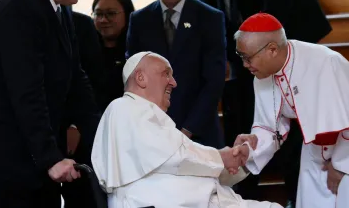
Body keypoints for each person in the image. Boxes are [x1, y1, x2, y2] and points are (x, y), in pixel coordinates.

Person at [233, 13, 349, 208]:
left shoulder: (326, 62)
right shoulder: (262, 74)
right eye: (241, 56)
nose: (244, 64)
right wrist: (250, 150)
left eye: (247, 57)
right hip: (316, 145)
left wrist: (341, 166)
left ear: (272, 50)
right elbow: (270, 128)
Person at [0, 0, 101, 207]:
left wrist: (102, 140)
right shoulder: (20, 9)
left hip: (34, 166)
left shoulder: (56, 8)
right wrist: (50, 158)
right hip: (6, 170)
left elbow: (76, 81)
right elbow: (26, 92)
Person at [199, 0, 332, 206]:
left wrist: (263, 52)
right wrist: (222, 50)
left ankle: (298, 197)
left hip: (281, 42)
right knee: (244, 118)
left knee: (291, 126)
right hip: (242, 47)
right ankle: (243, 198)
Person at [91, 51, 283, 208]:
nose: (173, 82)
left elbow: (193, 165)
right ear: (140, 77)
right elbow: (176, 157)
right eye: (166, 73)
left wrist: (239, 159)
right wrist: (222, 157)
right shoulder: (124, 107)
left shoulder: (153, 122)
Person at [126, 0, 227, 149]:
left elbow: (214, 81)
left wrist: (187, 130)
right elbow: (132, 79)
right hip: (151, 135)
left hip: (199, 135)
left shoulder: (210, 18)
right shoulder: (140, 20)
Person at [92, 0, 135, 110]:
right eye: (98, 14)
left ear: (127, 14)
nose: (103, 20)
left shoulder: (136, 52)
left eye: (111, 13)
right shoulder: (84, 51)